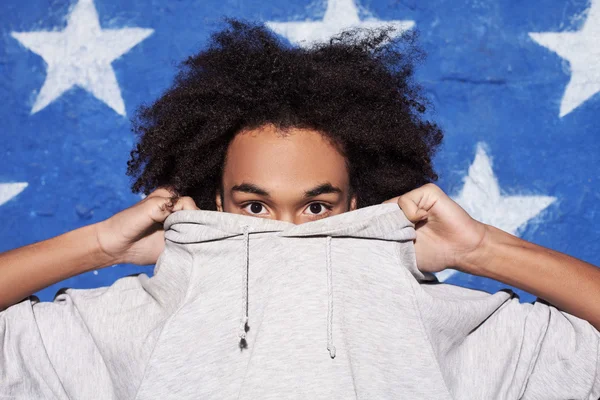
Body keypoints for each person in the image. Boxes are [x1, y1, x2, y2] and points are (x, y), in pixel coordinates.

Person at [0, 19, 598, 397]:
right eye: (255, 206)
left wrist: (482, 249)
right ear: (215, 199)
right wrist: (101, 245)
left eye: (316, 207)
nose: (285, 232)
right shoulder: (140, 312)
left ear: (356, 201)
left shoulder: (433, 313)